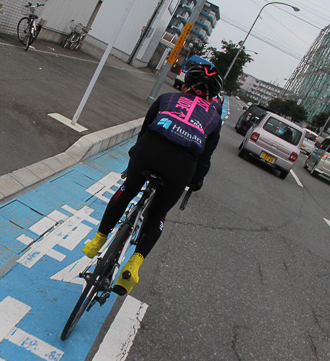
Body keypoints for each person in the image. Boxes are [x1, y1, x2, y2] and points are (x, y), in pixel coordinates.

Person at [82, 63, 224, 295]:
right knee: (158, 214)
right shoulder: (214, 119)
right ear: (213, 96)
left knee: (127, 190)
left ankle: (97, 241)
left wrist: (136, 153)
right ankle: (134, 265)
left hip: (150, 149)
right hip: (181, 164)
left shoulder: (167, 98)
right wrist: (196, 182)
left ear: (186, 85)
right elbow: (205, 158)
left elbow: (146, 129)